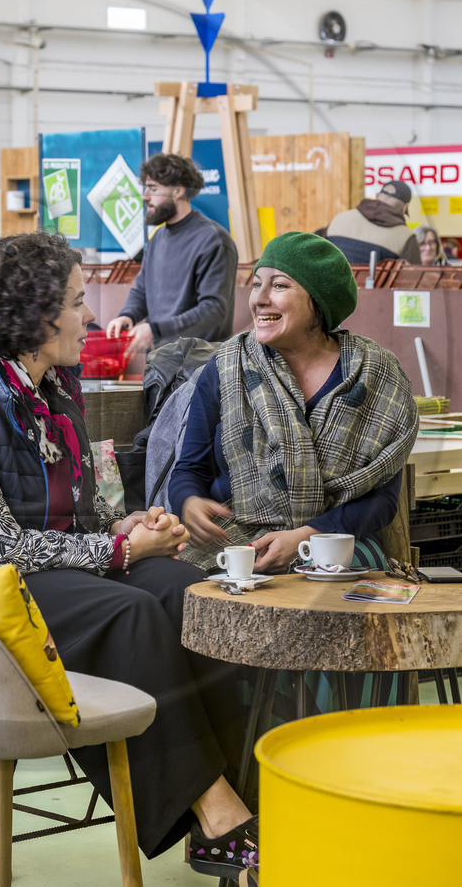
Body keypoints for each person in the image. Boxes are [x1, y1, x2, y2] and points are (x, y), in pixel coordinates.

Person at [0, 232, 258, 881]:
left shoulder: (56, 387)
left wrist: (132, 525)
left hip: (48, 569)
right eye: (74, 301)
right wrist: (118, 548)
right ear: (29, 315)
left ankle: (232, 798)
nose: (90, 315)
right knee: (132, 614)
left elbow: (78, 514)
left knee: (185, 590)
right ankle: (219, 810)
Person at [170, 231, 419, 712]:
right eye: (257, 282)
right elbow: (189, 468)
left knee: (343, 622)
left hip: (335, 542)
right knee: (215, 619)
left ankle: (341, 749)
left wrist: (304, 536)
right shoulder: (226, 367)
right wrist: (189, 501)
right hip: (238, 541)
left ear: (318, 304)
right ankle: (254, 750)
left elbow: (382, 501)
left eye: (279, 285)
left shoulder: (378, 376)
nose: (259, 298)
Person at [104, 153, 238, 361]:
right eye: (146, 187)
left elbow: (213, 310)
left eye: (154, 188)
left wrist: (155, 329)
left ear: (178, 191)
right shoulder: (157, 239)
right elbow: (142, 292)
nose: (145, 196)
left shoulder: (213, 239)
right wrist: (127, 315)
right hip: (162, 364)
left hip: (201, 367)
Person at [321, 180, 419, 265]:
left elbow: (316, 255)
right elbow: (413, 280)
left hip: (329, 286)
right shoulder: (406, 237)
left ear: (377, 196)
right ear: (405, 207)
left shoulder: (340, 218)